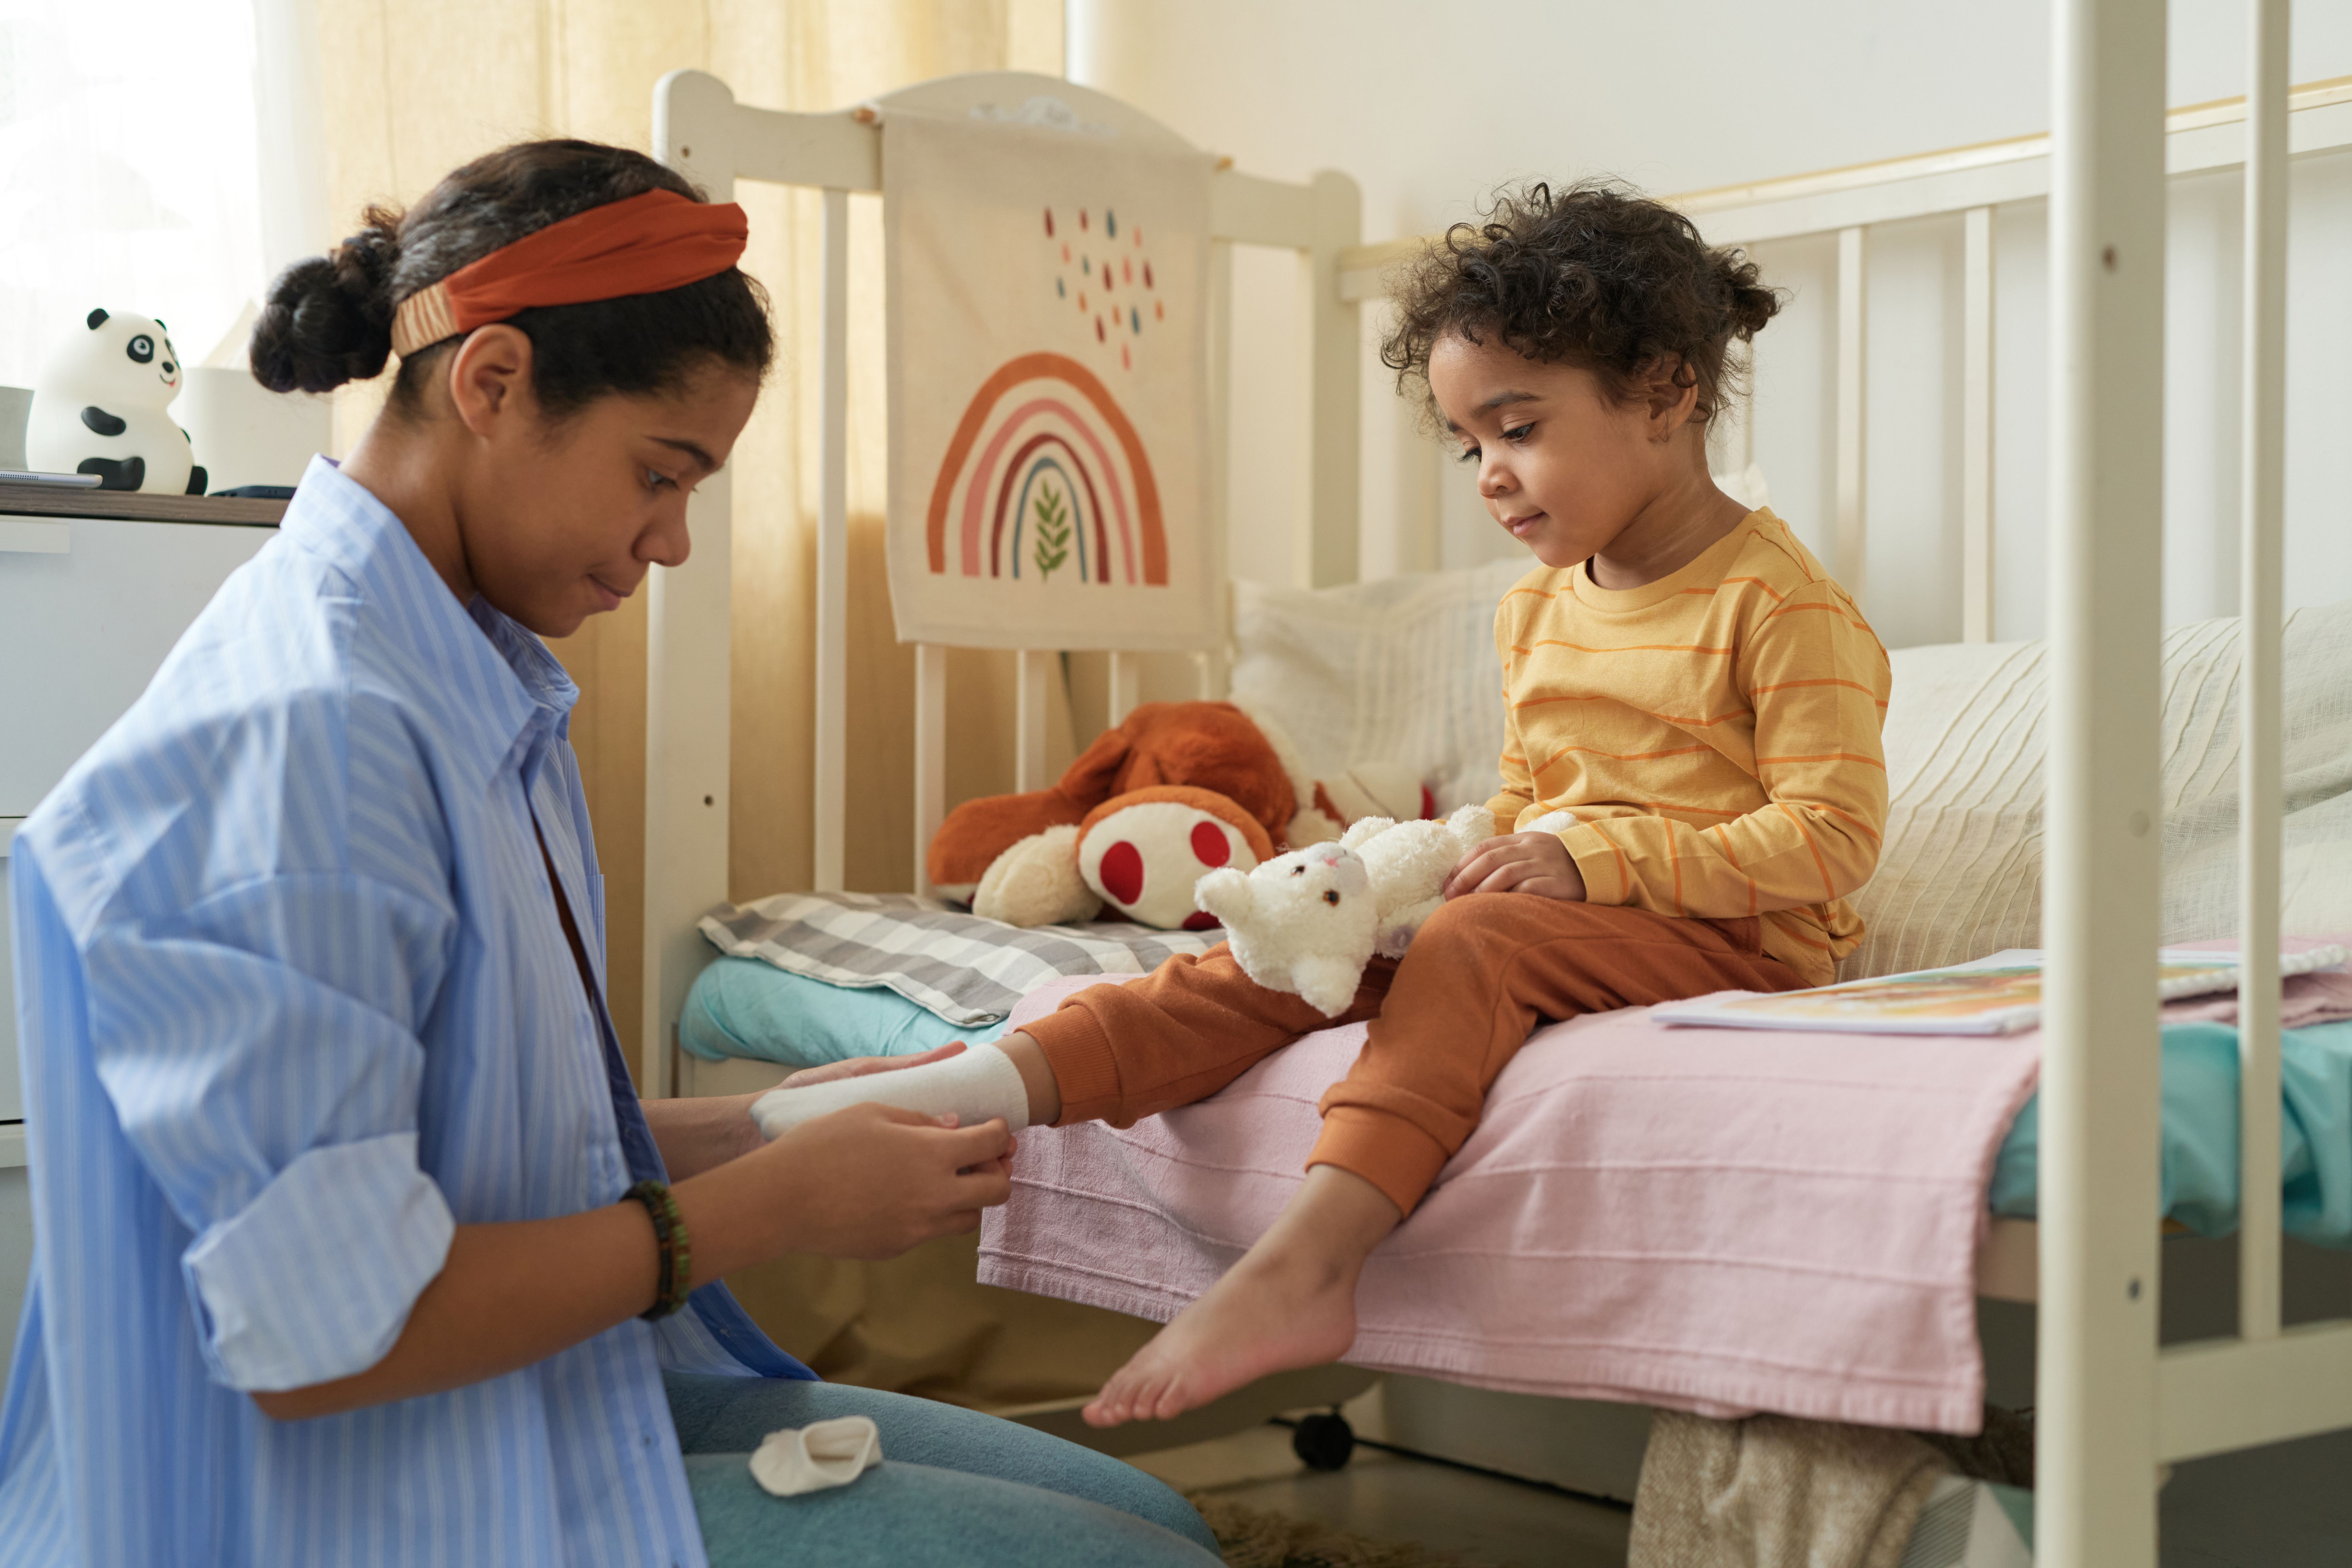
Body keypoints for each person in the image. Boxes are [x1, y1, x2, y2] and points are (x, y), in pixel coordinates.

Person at [0, 140, 1220, 1568]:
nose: (675, 541)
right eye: (660, 472)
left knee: (1153, 1519)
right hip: (326, 1493)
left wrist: (765, 1127)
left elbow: (464, 1139)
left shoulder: (461, 678)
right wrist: (764, 1209)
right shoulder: (314, 738)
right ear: (493, 383)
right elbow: (320, 1334)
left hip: (497, 1394)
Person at [752, 181, 1894, 1430]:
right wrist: (1414, 870)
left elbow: (1831, 840)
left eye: (1518, 429)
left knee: (1478, 940)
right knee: (1285, 947)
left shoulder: (1780, 605)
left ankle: (1310, 1265)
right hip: (1569, 921)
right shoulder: (1537, 607)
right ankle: (979, 1084)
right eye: (1469, 445)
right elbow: (1529, 801)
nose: (1490, 476)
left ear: (1667, 393)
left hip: (1732, 945)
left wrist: (1587, 867)